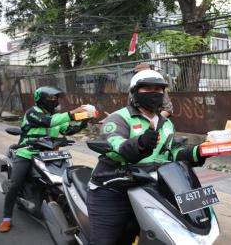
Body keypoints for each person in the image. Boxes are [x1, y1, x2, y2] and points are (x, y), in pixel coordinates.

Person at [87, 69, 207, 245]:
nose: (154, 93)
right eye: (147, 88)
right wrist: (141, 143)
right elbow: (116, 146)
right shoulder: (118, 118)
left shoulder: (165, 123)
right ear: (135, 92)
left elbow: (170, 153)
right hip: (113, 189)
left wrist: (199, 151)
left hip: (148, 188)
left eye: (158, 89)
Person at [0, 86, 92, 233]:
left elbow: (68, 130)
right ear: (40, 99)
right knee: (15, 184)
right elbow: (47, 122)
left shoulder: (57, 116)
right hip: (28, 153)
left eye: (55, 98)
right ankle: (6, 218)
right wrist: (72, 113)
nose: (53, 101)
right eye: (50, 98)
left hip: (51, 154)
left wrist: (84, 121)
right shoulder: (32, 113)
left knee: (67, 180)